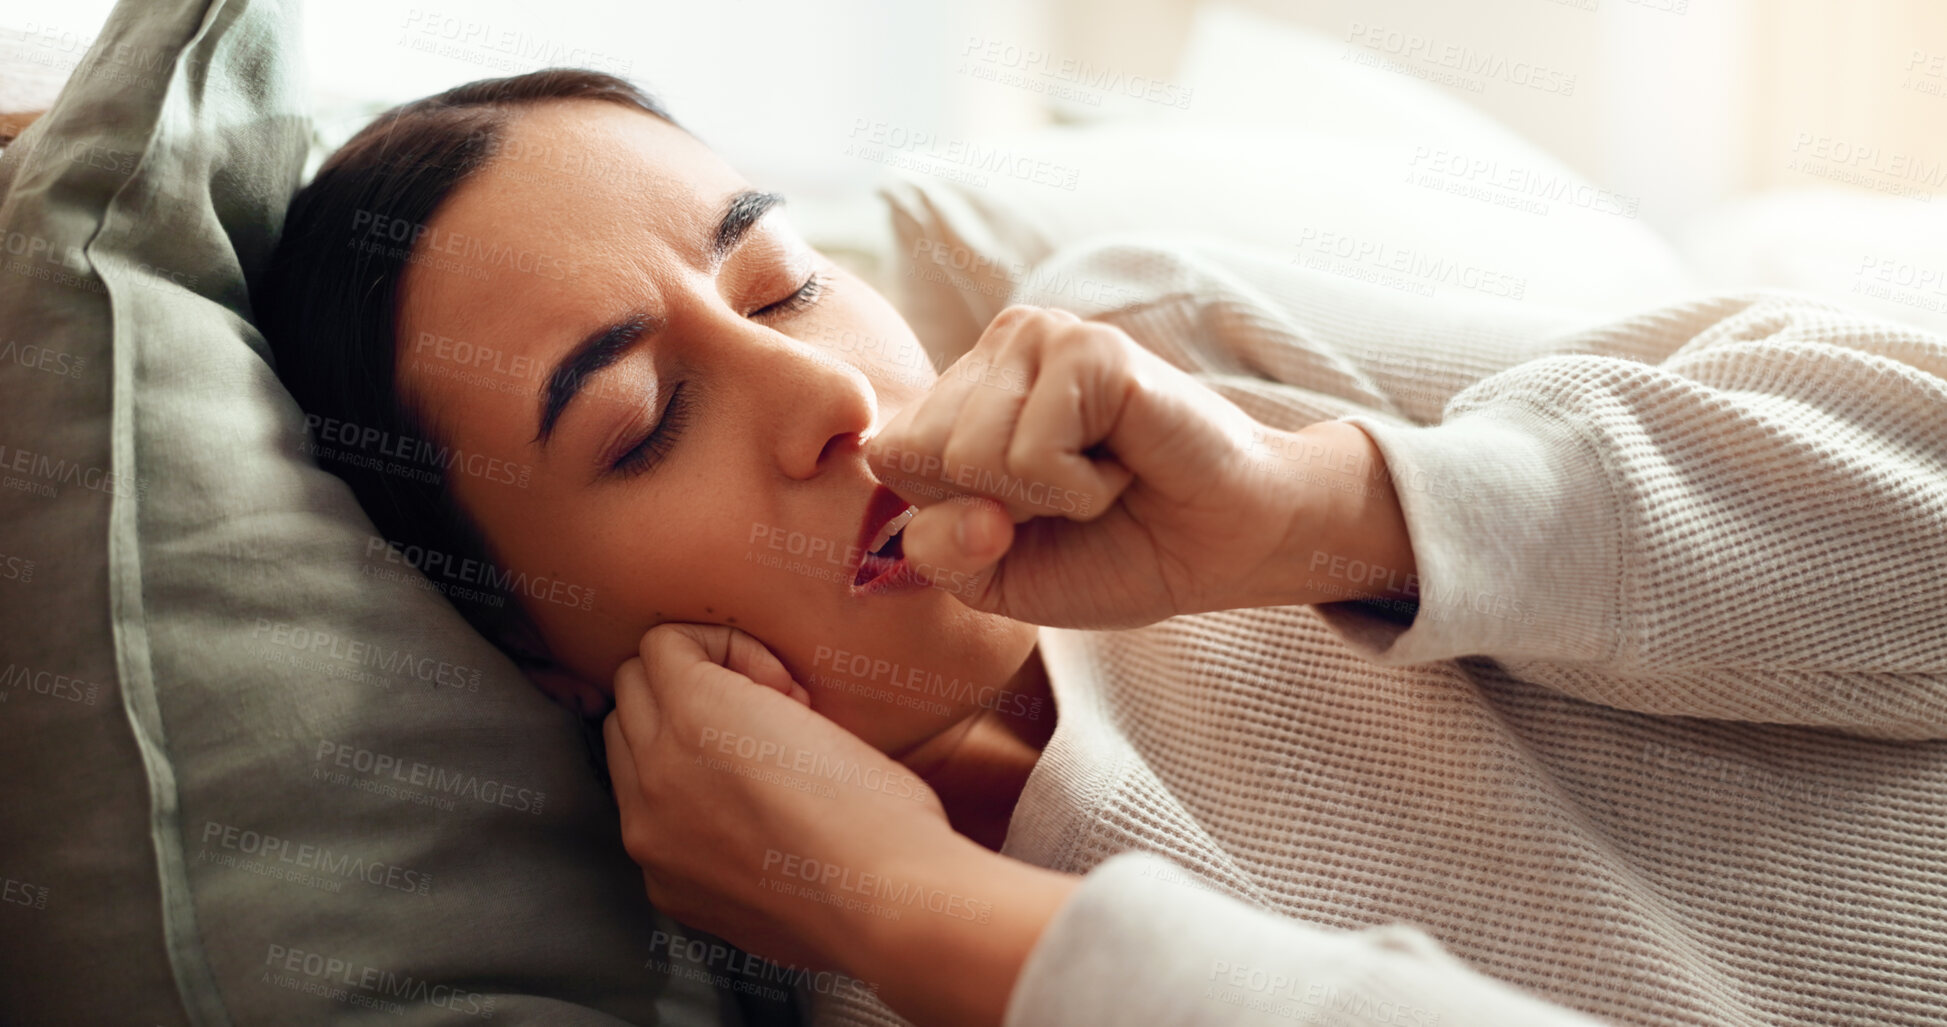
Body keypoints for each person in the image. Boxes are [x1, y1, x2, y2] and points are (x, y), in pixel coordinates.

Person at [259, 68, 1947, 1027]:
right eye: (639, 422)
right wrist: (919, 914)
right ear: (548, 658)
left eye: (784, 282)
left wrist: (1329, 512)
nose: (824, 393)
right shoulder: (888, 978)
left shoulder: (1175, 357)